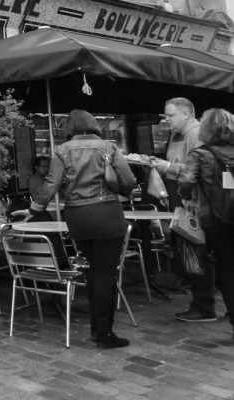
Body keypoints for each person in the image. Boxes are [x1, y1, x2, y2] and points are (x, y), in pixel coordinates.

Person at [28, 109, 136, 348]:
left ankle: (97, 331)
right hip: (107, 213)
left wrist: (33, 210)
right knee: (106, 273)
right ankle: (103, 333)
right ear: (92, 124)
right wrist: (123, 191)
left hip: (77, 216)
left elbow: (50, 186)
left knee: (93, 271)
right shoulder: (108, 148)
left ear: (70, 127)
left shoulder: (61, 150)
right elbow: (129, 181)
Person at [151, 97, 215, 321]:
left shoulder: (195, 133)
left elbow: (195, 169)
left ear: (186, 114)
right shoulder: (177, 134)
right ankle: (202, 300)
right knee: (194, 253)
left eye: (170, 115)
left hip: (194, 203)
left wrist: (168, 166)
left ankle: (204, 305)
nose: (166, 120)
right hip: (185, 200)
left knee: (199, 254)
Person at [178, 108, 234, 334]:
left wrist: (187, 195)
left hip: (215, 219)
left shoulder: (200, 154)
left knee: (226, 268)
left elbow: (185, 184)